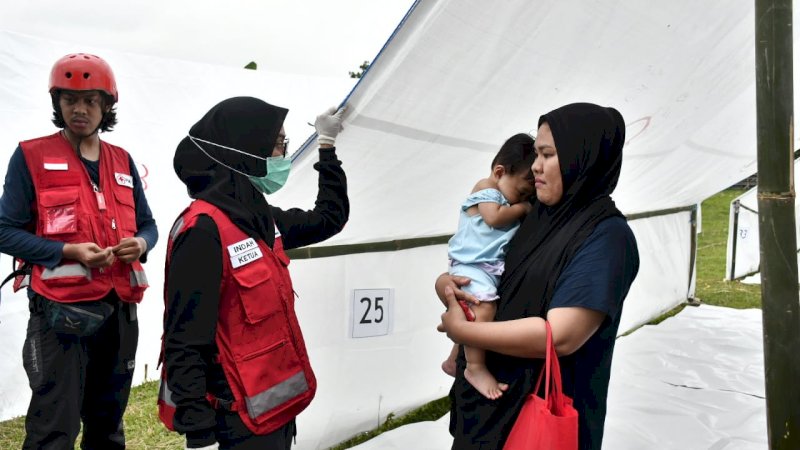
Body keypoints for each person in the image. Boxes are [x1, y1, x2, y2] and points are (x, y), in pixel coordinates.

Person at [436, 102, 640, 450]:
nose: (535, 167)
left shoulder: (607, 237)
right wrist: (447, 283)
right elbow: (489, 265)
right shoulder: (537, 214)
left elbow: (560, 336)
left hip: (536, 420)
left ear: (583, 158)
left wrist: (463, 331)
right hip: (486, 412)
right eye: (535, 154)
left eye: (547, 155)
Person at [158, 97, 349, 450]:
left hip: (271, 414)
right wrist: (200, 435)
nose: (283, 155)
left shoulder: (259, 218)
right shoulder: (202, 231)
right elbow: (183, 340)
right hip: (231, 423)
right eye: (277, 144)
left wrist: (327, 147)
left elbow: (328, 218)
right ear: (242, 150)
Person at [0, 53, 158, 449]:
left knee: (108, 425)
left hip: (120, 313)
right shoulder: (31, 156)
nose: (80, 109)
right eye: (70, 99)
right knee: (55, 425)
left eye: (90, 100)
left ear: (107, 105)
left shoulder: (121, 160)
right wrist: (69, 251)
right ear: (57, 103)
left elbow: (150, 226)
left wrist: (140, 243)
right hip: (60, 316)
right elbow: (4, 231)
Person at [441, 133, 535, 401]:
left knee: (473, 312)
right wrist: (522, 209)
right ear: (499, 171)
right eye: (520, 191)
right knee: (484, 308)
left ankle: (453, 359)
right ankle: (475, 367)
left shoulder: (505, 194)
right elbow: (493, 219)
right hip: (470, 265)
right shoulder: (487, 188)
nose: (521, 199)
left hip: (486, 267)